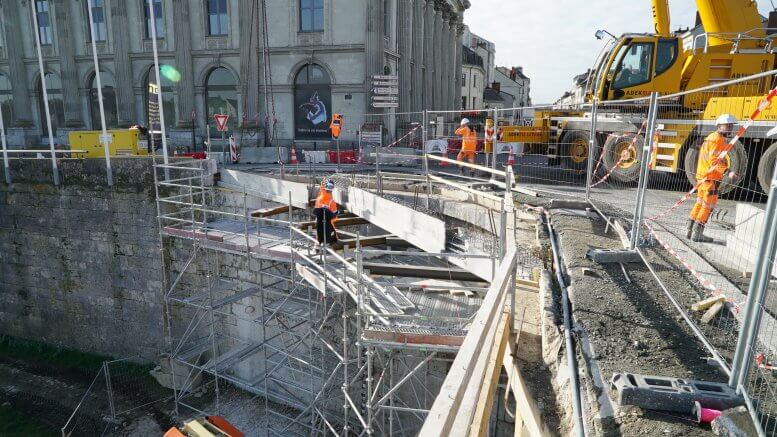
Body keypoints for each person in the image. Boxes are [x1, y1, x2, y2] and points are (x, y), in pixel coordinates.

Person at [687, 114, 738, 242]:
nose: (730, 128)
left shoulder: (710, 138)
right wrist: (728, 171)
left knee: (700, 203)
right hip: (710, 179)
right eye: (728, 126)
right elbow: (714, 160)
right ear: (719, 126)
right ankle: (697, 233)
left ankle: (690, 229)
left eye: (731, 126)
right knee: (707, 205)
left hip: (703, 177)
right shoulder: (717, 140)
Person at [314, 180, 339, 245]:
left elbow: (316, 210)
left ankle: (318, 245)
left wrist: (323, 184)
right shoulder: (331, 201)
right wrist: (337, 213)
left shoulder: (319, 198)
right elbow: (334, 215)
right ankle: (327, 245)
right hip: (327, 221)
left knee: (319, 233)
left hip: (318, 220)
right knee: (329, 234)